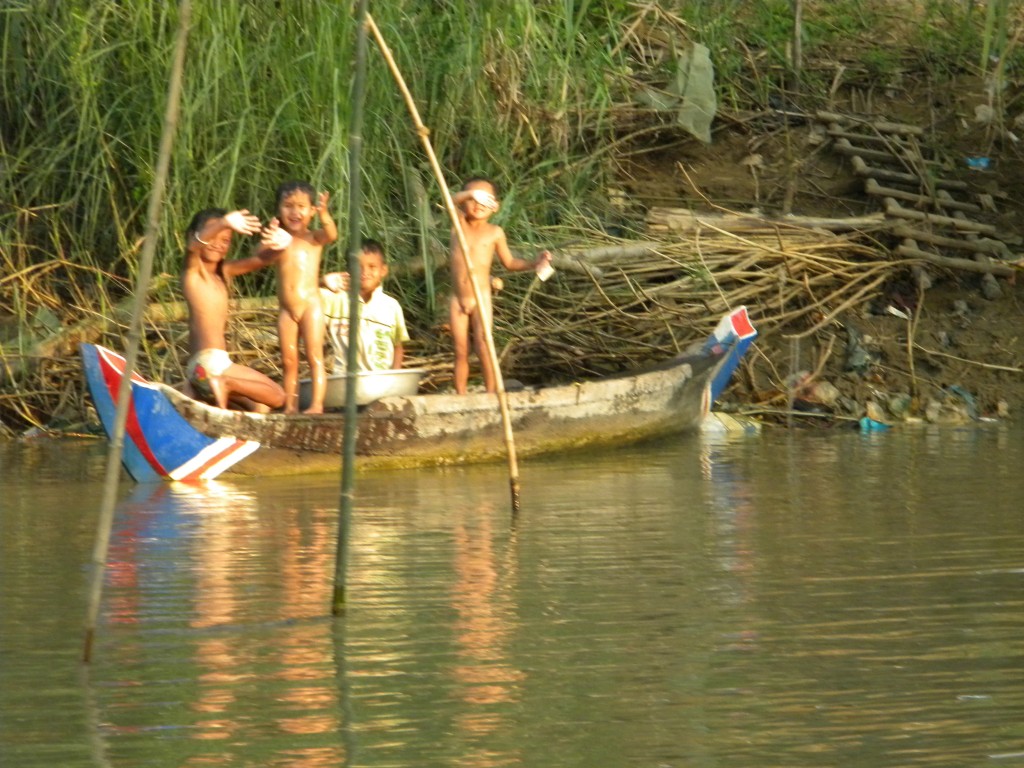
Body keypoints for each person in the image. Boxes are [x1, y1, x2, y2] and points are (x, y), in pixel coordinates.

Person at [448, 177, 552, 394]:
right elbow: (450, 200)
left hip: (481, 297)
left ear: (495, 206)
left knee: (484, 345)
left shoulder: (495, 232)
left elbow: (510, 262)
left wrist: (535, 262)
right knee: (460, 350)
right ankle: (460, 395)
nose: (478, 204)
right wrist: (469, 195)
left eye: (486, 199)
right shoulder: (458, 223)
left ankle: (492, 393)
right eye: (474, 198)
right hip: (458, 299)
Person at [181, 208, 286, 413]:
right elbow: (193, 247)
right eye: (213, 235)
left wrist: (278, 242)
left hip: (202, 371)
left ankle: (200, 395)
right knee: (279, 396)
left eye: (226, 240)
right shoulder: (193, 273)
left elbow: (261, 260)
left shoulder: (224, 273)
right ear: (196, 235)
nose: (219, 243)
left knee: (261, 408)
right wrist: (225, 223)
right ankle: (225, 384)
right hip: (209, 364)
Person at [256, 180, 338, 414]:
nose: (294, 212)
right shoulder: (279, 241)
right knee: (288, 361)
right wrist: (268, 239)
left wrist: (324, 214)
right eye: (288, 206)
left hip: (311, 305)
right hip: (287, 310)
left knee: (314, 356)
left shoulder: (314, 238)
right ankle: (290, 406)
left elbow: (332, 233)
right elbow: (258, 256)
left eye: (301, 206)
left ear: (311, 211)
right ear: (279, 211)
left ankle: (316, 405)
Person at [321, 239, 409, 373]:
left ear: (383, 270)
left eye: (372, 266)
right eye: (358, 266)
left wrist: (394, 375)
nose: (364, 272)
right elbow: (301, 295)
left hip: (381, 380)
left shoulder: (391, 306)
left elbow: (398, 346)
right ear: (348, 270)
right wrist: (323, 281)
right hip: (344, 380)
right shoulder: (335, 299)